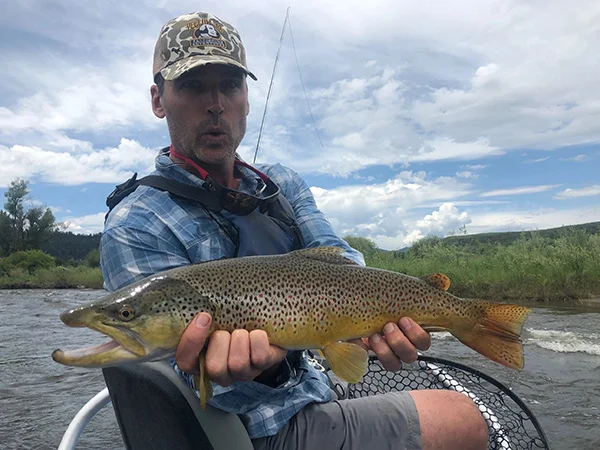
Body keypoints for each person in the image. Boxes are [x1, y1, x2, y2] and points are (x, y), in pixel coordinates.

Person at [100, 11, 488, 450]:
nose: (215, 103)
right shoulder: (136, 223)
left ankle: (471, 319)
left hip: (315, 390)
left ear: (246, 98)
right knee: (462, 419)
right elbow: (178, 375)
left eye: (229, 85)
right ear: (158, 100)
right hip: (253, 430)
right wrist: (252, 365)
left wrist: (369, 322)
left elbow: (338, 258)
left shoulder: (279, 183)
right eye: (191, 85)